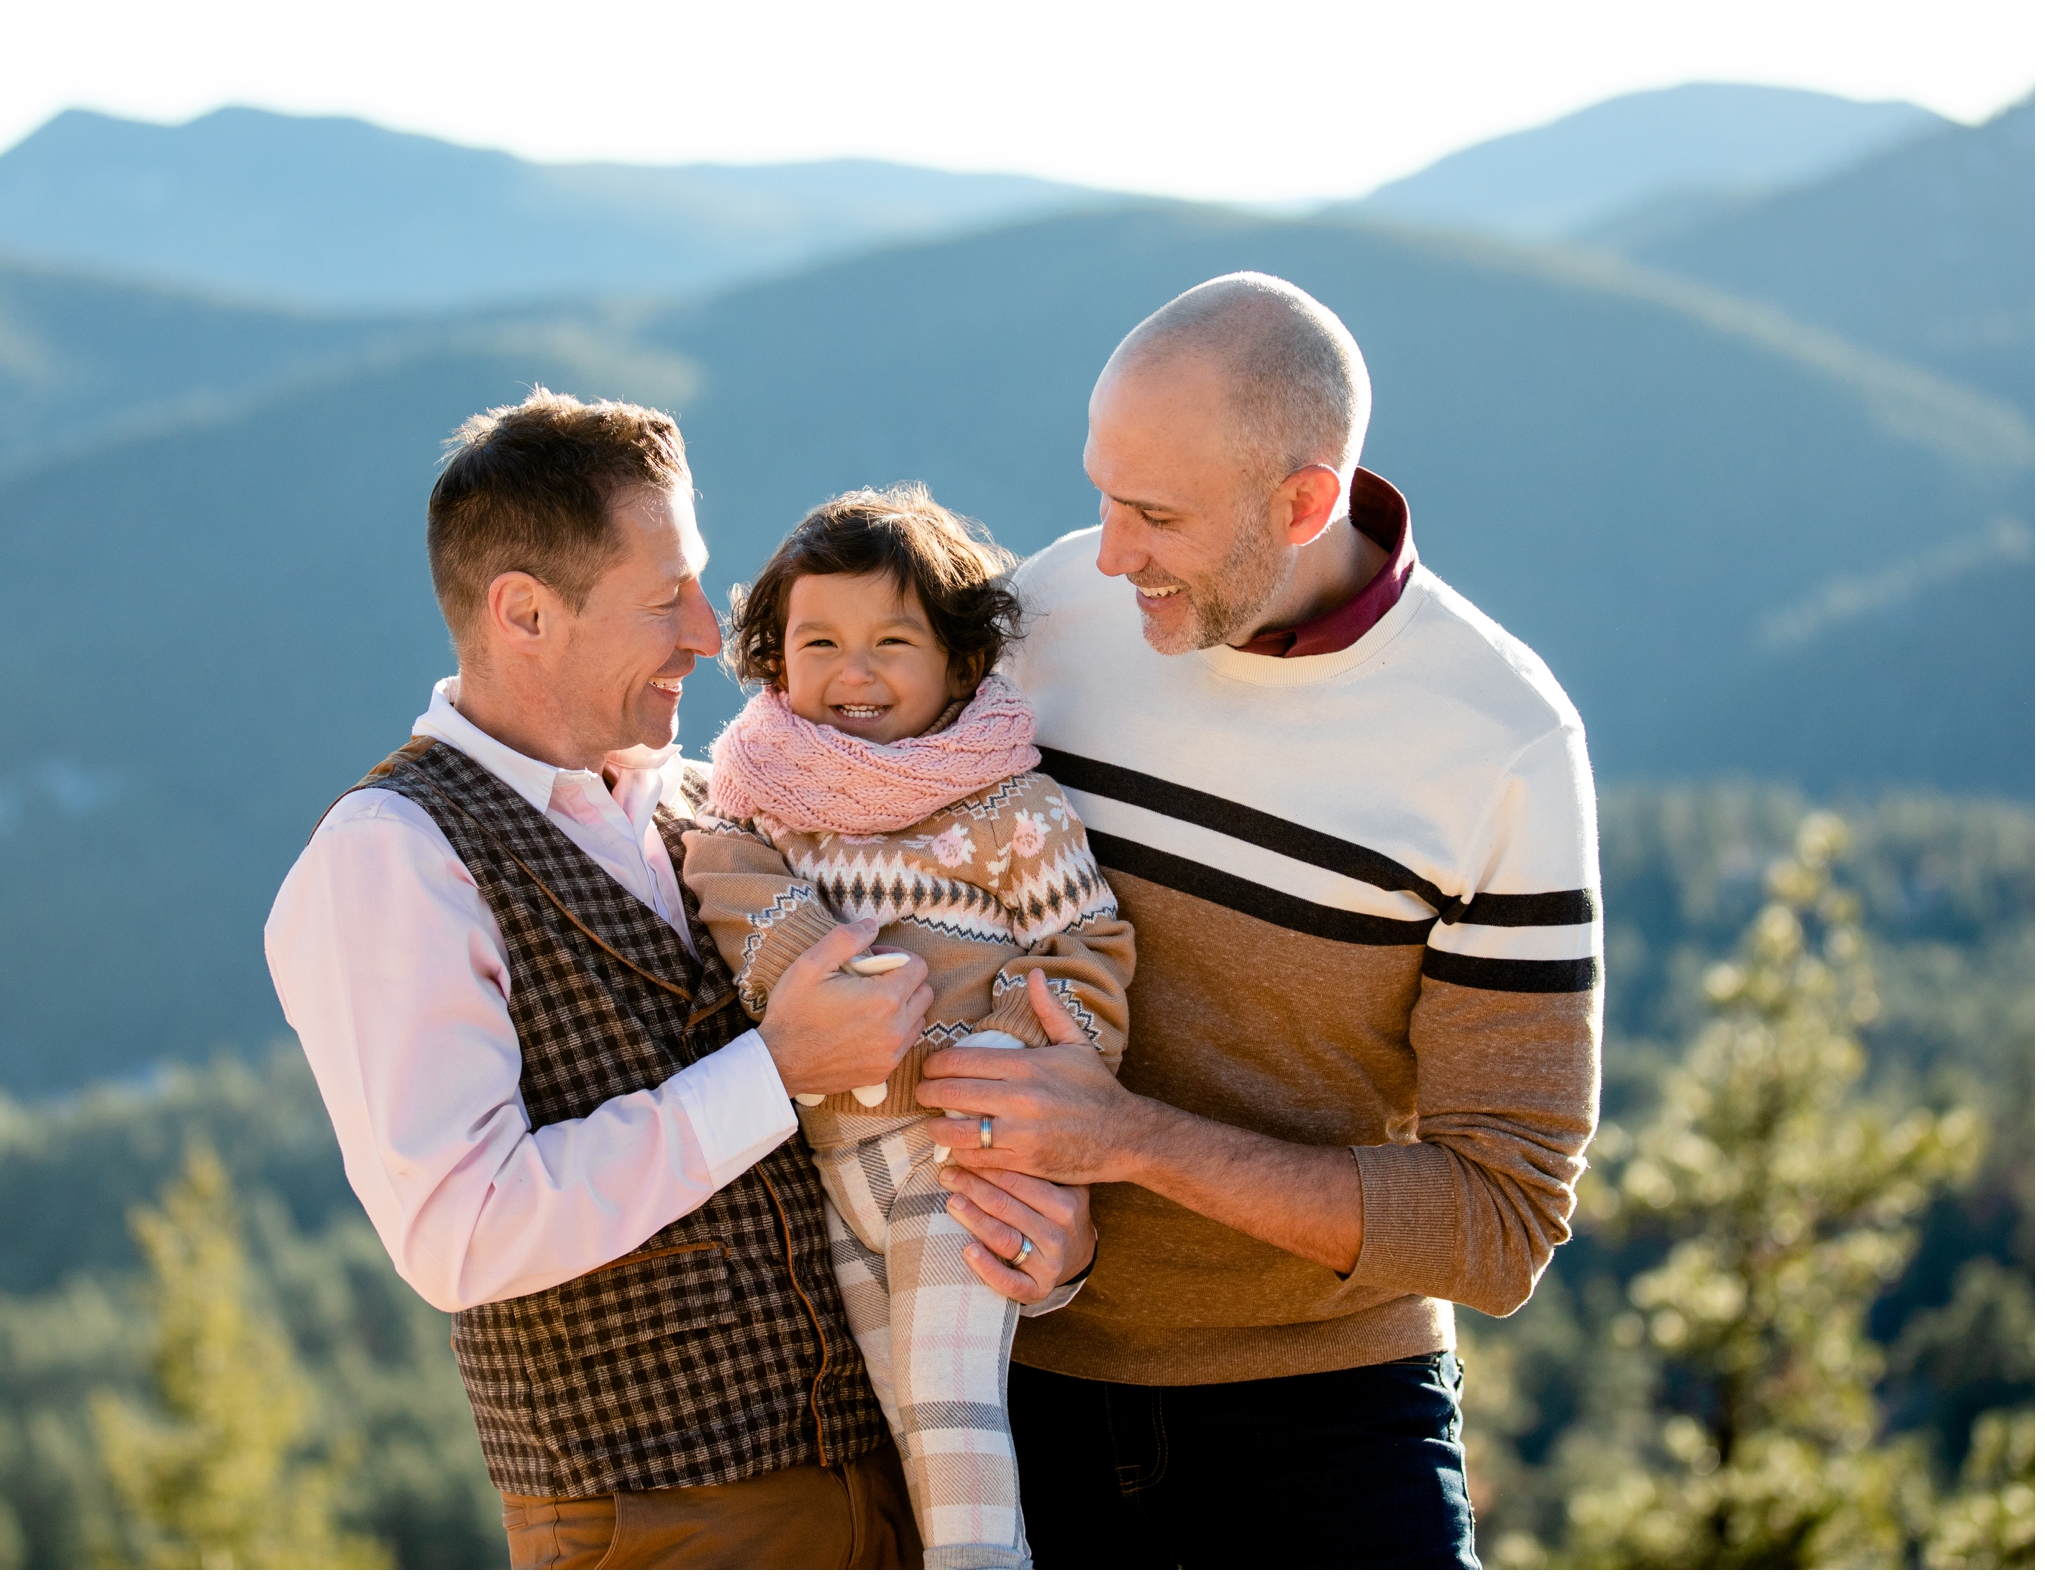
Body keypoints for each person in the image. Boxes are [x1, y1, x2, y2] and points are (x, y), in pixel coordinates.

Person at [264, 389, 1095, 1570]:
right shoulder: (392, 855)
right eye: (667, 597)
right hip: (663, 1530)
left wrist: (1045, 1247)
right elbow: (462, 1230)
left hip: (897, 1495)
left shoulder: (711, 801)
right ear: (523, 613)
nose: (713, 633)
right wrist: (781, 1067)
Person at [918, 274, 1603, 1568]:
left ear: (1303, 502)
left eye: (1157, 515)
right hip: (1001, 1390)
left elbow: (1500, 1221)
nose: (1108, 551)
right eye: (1102, 494)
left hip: (1327, 1433)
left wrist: (1129, 1140)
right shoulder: (1051, 613)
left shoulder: (1501, 741)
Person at [684, 486, 1135, 1569]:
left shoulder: (1006, 804)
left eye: (894, 641)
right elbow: (727, 878)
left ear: (962, 664)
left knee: (952, 1404)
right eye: (820, 641)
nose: (854, 671)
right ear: (775, 658)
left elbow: (1091, 947)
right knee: (902, 1415)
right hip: (835, 1168)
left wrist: (1002, 1065)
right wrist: (821, 983)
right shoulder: (763, 794)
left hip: (958, 1146)